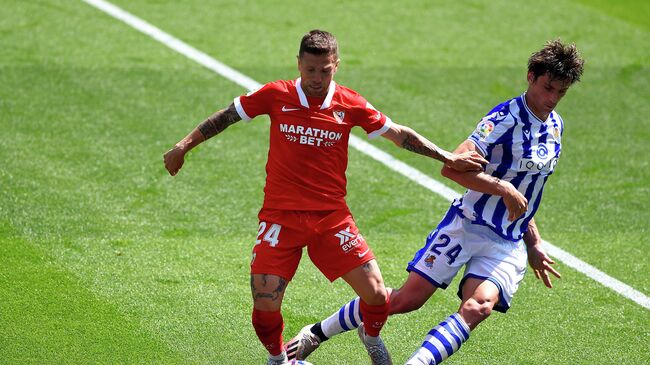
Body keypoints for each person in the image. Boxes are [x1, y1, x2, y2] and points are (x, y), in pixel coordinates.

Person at [163, 29, 487, 365]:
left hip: (331, 218)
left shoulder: (350, 103)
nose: (317, 78)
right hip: (281, 217)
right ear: (299, 64)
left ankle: (370, 334)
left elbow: (399, 134)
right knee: (264, 300)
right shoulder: (276, 94)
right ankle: (279, 360)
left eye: (325, 70)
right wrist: (184, 146)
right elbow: (227, 116)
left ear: (336, 66)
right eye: (310, 70)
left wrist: (448, 157)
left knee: (376, 295)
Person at [286, 39, 585, 364]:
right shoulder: (503, 120)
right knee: (406, 300)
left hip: (508, 242)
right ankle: (316, 332)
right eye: (548, 88)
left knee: (479, 307)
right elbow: (452, 166)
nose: (552, 99)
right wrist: (502, 188)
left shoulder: (555, 126)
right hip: (468, 225)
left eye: (561, 93)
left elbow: (527, 192)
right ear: (530, 77)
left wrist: (534, 242)